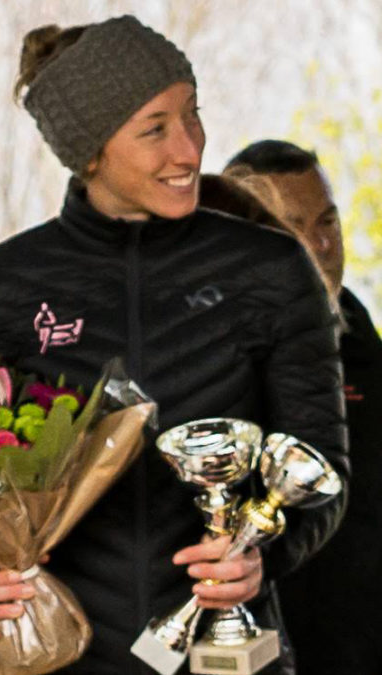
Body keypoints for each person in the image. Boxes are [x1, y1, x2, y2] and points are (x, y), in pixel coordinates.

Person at [0, 16, 347, 675]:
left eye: (193, 114)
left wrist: (264, 550)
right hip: (45, 656)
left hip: (222, 656)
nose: (189, 150)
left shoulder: (270, 269)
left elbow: (321, 464)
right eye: (154, 129)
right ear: (90, 151)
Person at [221, 140, 382, 675]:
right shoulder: (192, 359)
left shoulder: (365, 350)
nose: (320, 245)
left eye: (328, 223)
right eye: (294, 230)